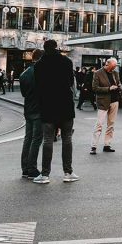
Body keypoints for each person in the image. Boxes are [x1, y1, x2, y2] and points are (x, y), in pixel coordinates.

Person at [34, 39, 79, 183]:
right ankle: (68, 172)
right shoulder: (66, 62)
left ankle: (45, 174)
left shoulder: (39, 65)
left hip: (48, 106)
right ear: (57, 47)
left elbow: (38, 87)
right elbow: (71, 83)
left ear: (44, 48)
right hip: (65, 105)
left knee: (47, 140)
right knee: (67, 139)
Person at [19, 49, 43, 179]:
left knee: (28, 138)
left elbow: (23, 94)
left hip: (28, 109)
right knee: (36, 139)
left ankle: (25, 168)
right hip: (39, 109)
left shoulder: (24, 74)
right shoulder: (42, 73)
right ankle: (32, 168)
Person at [91, 57, 121, 153]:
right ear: (107, 64)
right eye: (112, 67)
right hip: (103, 101)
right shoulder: (98, 73)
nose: (113, 69)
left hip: (114, 101)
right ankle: (93, 146)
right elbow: (95, 88)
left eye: (115, 67)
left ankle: (107, 145)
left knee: (111, 125)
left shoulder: (115, 73)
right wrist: (109, 89)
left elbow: (119, 83)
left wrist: (120, 86)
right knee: (99, 124)